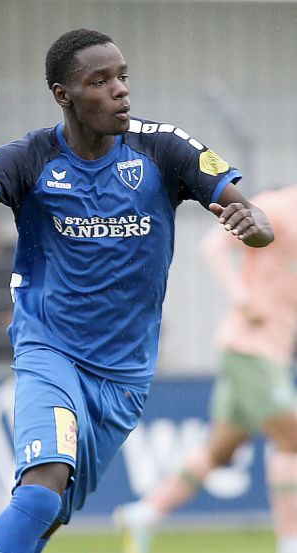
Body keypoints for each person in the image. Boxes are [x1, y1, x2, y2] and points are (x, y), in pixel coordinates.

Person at [0, 28, 275, 553]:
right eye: (101, 80)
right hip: (51, 350)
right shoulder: (31, 157)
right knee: (42, 492)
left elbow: (255, 215)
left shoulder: (164, 149)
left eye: (123, 77)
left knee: (48, 515)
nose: (120, 91)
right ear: (63, 95)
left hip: (125, 373)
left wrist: (253, 221)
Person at [114, 185, 297, 553]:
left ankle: (144, 513)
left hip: (264, 351)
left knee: (220, 451)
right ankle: (290, 541)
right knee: (292, 439)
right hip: (251, 348)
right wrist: (240, 296)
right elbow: (214, 244)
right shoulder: (278, 207)